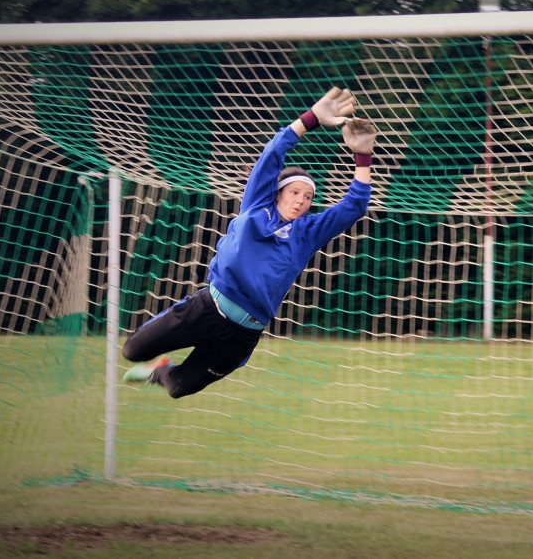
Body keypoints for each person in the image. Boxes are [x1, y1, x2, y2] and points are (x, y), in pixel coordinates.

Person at [121, 86, 377, 398]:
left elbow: (354, 206)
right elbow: (272, 155)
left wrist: (363, 154)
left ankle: (160, 370)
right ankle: (152, 359)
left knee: (178, 387)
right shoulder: (257, 207)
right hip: (208, 308)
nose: (301, 200)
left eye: (308, 197)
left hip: (243, 333)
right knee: (132, 350)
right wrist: (309, 120)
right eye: (295, 192)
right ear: (278, 192)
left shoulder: (308, 233)